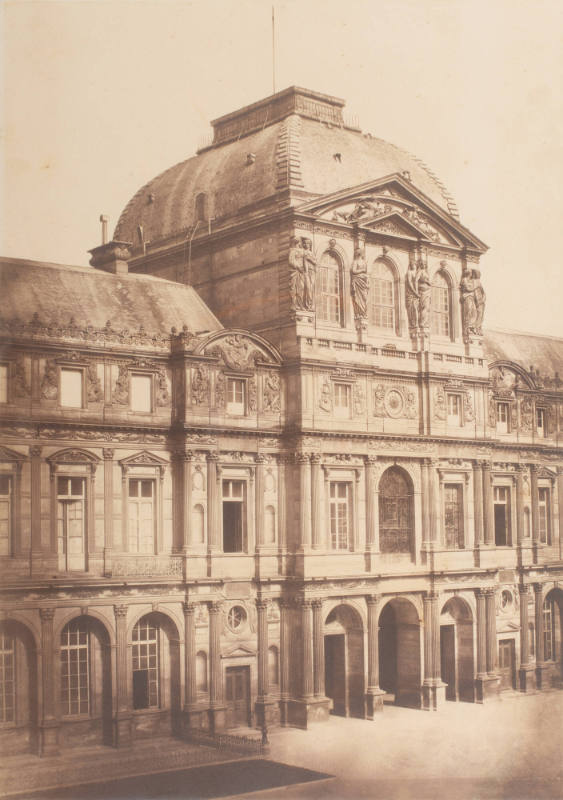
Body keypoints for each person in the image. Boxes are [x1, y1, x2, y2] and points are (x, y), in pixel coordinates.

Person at [350, 247, 369, 319]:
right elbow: (354, 271)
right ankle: (359, 314)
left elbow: (366, 272)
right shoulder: (355, 262)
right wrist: (362, 270)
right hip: (358, 280)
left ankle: (363, 313)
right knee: (358, 297)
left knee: (364, 297)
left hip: (363, 281)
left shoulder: (364, 262)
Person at [288, 236, 305, 310]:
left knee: (301, 288)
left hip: (301, 271)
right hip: (295, 271)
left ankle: (300, 304)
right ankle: (294, 304)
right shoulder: (293, 250)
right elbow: (291, 261)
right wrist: (298, 267)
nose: (299, 244)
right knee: (294, 287)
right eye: (298, 242)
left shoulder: (301, 251)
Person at [301, 238, 317, 311]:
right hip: (305, 272)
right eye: (305, 243)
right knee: (307, 288)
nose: (307, 245)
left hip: (312, 272)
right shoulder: (303, 252)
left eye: (308, 243)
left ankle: (311, 305)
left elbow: (316, 262)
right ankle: (306, 305)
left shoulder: (311, 253)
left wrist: (309, 259)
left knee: (311, 287)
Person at [416, 260, 431, 331]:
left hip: (427, 291)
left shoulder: (426, 272)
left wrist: (428, 282)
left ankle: (425, 322)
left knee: (427, 307)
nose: (424, 265)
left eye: (425, 264)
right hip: (423, 290)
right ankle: (422, 323)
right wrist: (416, 291)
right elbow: (416, 280)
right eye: (423, 264)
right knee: (423, 307)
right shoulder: (420, 271)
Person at [405, 260, 419, 330]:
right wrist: (415, 292)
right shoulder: (409, 272)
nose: (413, 265)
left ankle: (416, 324)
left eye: (414, 264)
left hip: (417, 295)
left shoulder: (417, 273)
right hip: (411, 294)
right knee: (412, 309)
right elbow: (410, 283)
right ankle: (413, 325)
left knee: (416, 309)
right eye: (412, 264)